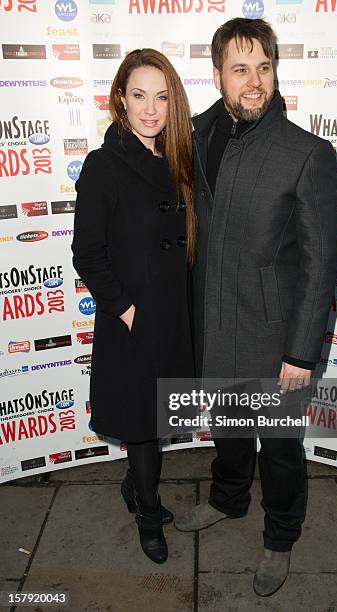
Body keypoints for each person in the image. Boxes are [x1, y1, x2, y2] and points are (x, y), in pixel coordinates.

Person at [174, 18, 337, 596]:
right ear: (217, 73)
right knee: (227, 426)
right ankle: (227, 499)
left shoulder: (306, 155)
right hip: (214, 320)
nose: (254, 82)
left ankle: (280, 537)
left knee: (280, 447)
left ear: (275, 71)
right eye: (240, 69)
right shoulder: (197, 133)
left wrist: (301, 351)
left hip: (274, 335)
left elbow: (323, 265)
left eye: (263, 68)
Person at [71, 49, 195, 564]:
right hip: (135, 322)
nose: (150, 109)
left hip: (173, 315)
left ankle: (132, 486)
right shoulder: (105, 166)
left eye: (162, 97)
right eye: (139, 95)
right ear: (120, 98)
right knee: (144, 426)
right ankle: (148, 510)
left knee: (157, 418)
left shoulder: (176, 156)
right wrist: (127, 311)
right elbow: (87, 253)